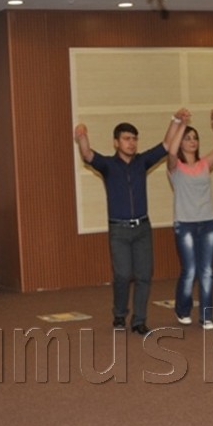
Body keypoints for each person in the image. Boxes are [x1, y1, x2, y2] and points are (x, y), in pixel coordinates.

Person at [75, 113, 181, 335]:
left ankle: (139, 320)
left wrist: (176, 120)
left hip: (142, 228)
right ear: (116, 142)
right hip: (119, 230)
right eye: (126, 138)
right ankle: (120, 313)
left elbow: (165, 144)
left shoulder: (142, 162)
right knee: (122, 275)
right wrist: (81, 136)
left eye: (134, 139)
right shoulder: (108, 165)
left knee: (144, 275)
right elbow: (87, 154)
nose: (131, 143)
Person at [165, 111, 213, 329]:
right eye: (188, 138)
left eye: (195, 138)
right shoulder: (175, 167)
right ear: (181, 142)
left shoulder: (204, 164)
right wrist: (182, 124)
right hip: (185, 224)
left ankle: (207, 315)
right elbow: (171, 151)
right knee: (190, 270)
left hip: (208, 222)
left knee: (207, 271)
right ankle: (182, 309)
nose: (192, 141)